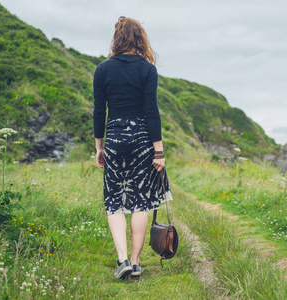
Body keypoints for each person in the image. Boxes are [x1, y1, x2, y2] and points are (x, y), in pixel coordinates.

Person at [93, 16, 173, 280]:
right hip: (141, 139)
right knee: (141, 201)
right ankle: (137, 263)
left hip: (114, 138)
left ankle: (122, 259)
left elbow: (98, 112)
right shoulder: (148, 70)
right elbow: (152, 111)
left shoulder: (102, 70)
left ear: (117, 38)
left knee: (114, 201)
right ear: (139, 38)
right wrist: (158, 150)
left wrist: (99, 147)